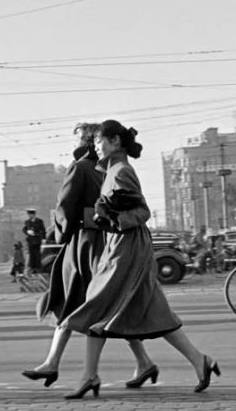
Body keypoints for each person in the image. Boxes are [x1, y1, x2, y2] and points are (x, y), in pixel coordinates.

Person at [61, 120, 220, 399]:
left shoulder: (121, 171)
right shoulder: (111, 170)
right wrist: (104, 217)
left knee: (97, 305)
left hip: (127, 248)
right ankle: (199, 360)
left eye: (99, 141)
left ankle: (90, 376)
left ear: (115, 142)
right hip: (119, 245)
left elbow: (142, 211)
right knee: (151, 312)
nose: (95, 147)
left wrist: (114, 218)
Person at [23, 123, 155, 388]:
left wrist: (60, 233)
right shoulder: (107, 168)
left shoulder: (82, 167)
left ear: (84, 141)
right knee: (111, 304)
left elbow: (65, 206)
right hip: (109, 241)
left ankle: (64, 366)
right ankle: (142, 362)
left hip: (83, 244)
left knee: (75, 300)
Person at [23, 209, 45, 275]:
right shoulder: (27, 222)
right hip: (30, 241)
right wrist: (27, 232)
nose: (30, 216)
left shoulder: (39, 221)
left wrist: (43, 238)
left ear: (34, 214)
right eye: (29, 214)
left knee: (37, 254)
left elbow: (43, 230)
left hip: (37, 240)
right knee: (31, 255)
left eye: (31, 214)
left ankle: (38, 268)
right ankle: (32, 268)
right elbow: (24, 229)